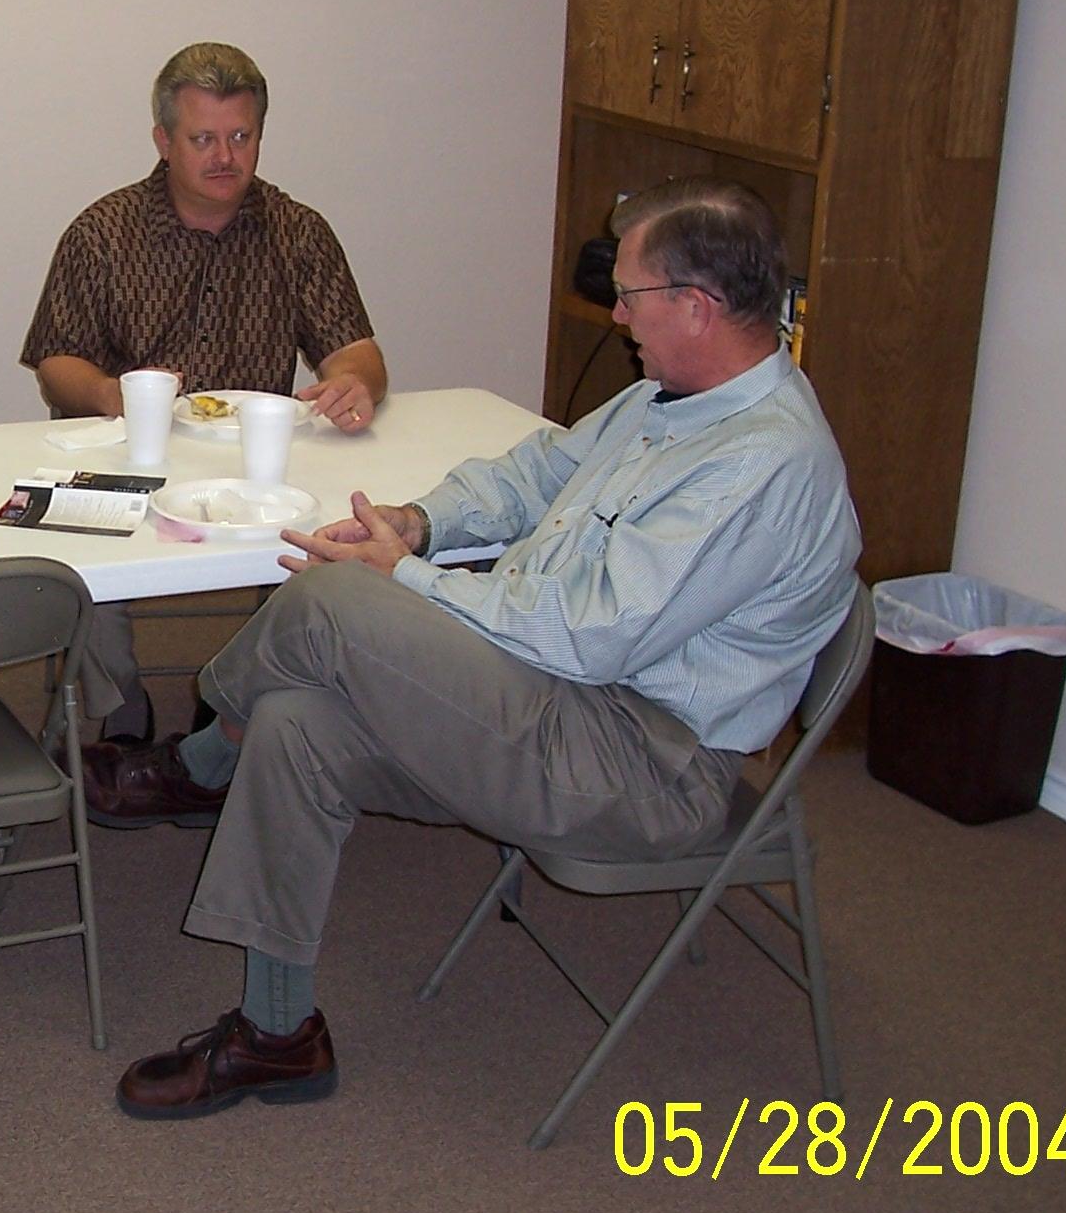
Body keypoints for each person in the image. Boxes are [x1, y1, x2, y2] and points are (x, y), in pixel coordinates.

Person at [101, 176, 861, 1119]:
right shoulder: (673, 400)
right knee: (297, 719)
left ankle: (198, 761)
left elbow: (590, 634)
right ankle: (277, 1033)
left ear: (698, 308)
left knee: (334, 602)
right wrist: (417, 525)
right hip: (554, 701)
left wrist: (404, 580)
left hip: (642, 764)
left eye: (631, 295)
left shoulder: (763, 462)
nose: (617, 315)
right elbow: (537, 473)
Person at [20, 41, 389, 748]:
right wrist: (106, 392)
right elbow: (54, 360)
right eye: (203, 139)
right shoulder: (103, 232)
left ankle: (237, 702)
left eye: (241, 137)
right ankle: (119, 697)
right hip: (131, 453)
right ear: (164, 141)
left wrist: (355, 383)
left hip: (256, 464)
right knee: (74, 553)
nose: (225, 156)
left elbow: (356, 350)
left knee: (334, 542)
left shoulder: (297, 231)